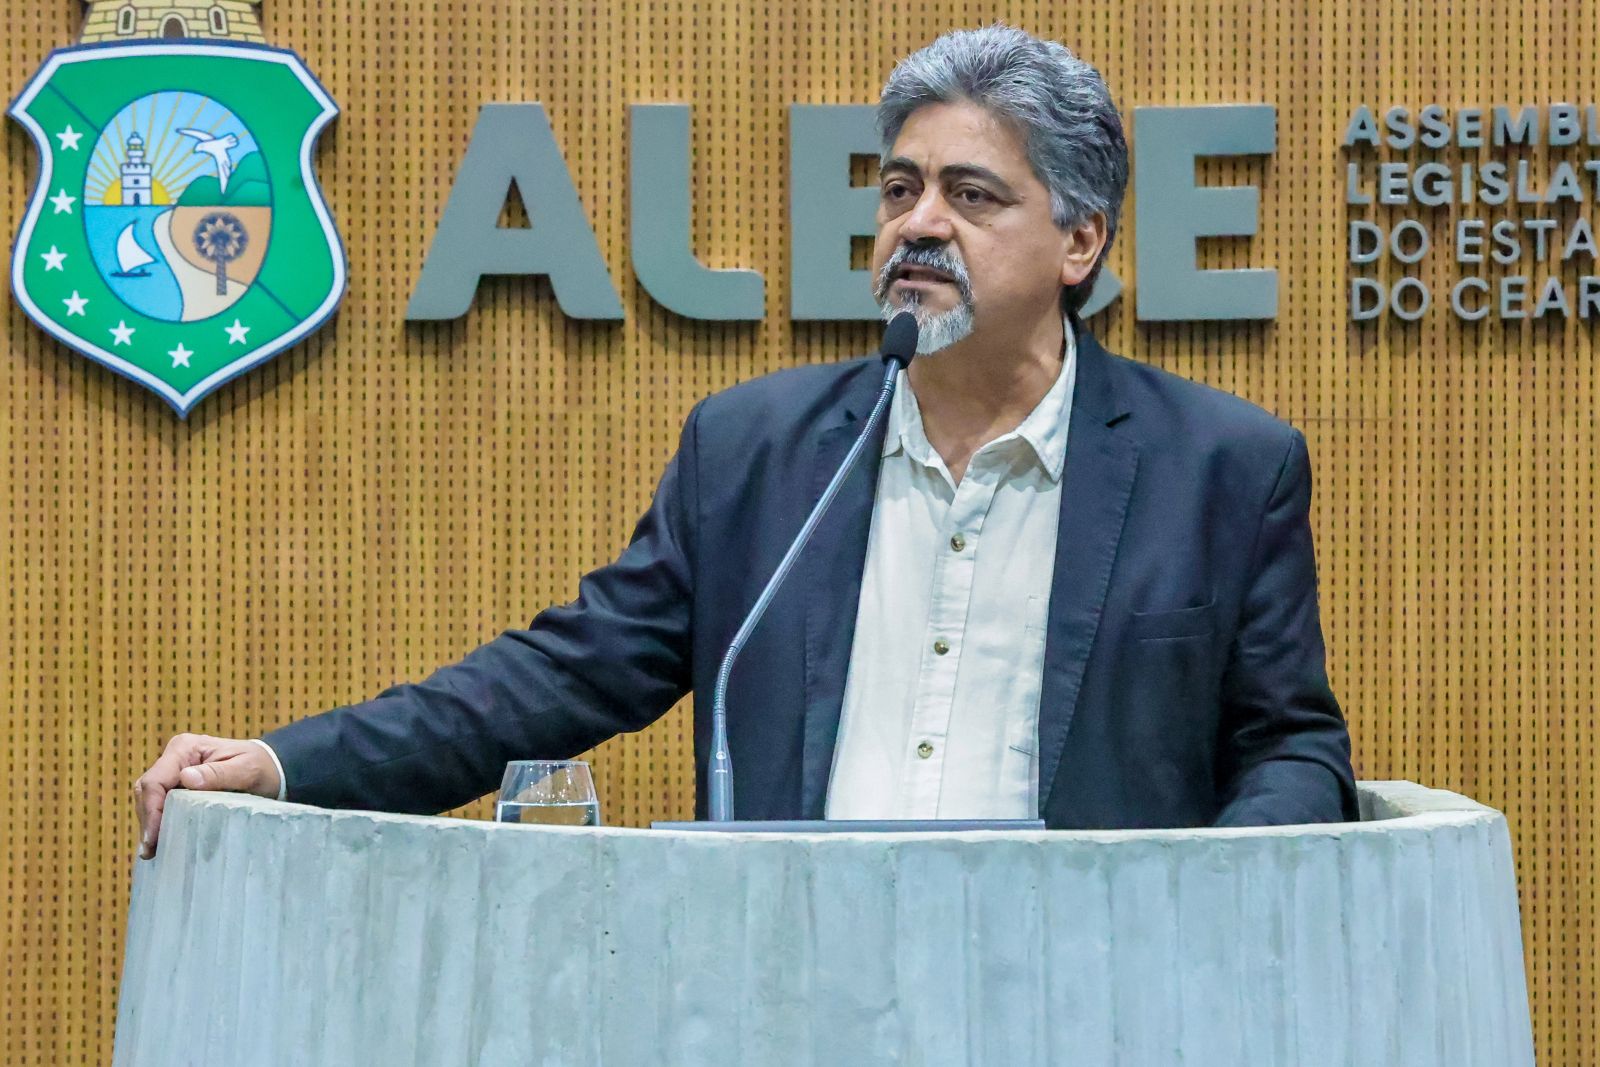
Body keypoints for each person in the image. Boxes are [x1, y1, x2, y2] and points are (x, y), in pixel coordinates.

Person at [134, 24, 1357, 859]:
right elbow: (557, 676)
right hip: (799, 996)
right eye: (899, 189)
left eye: (971, 195)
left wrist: (1212, 899)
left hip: (1082, 1003)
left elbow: (1290, 746)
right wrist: (284, 763)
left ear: (1079, 242)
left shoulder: (1220, 468)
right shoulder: (758, 452)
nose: (918, 223)